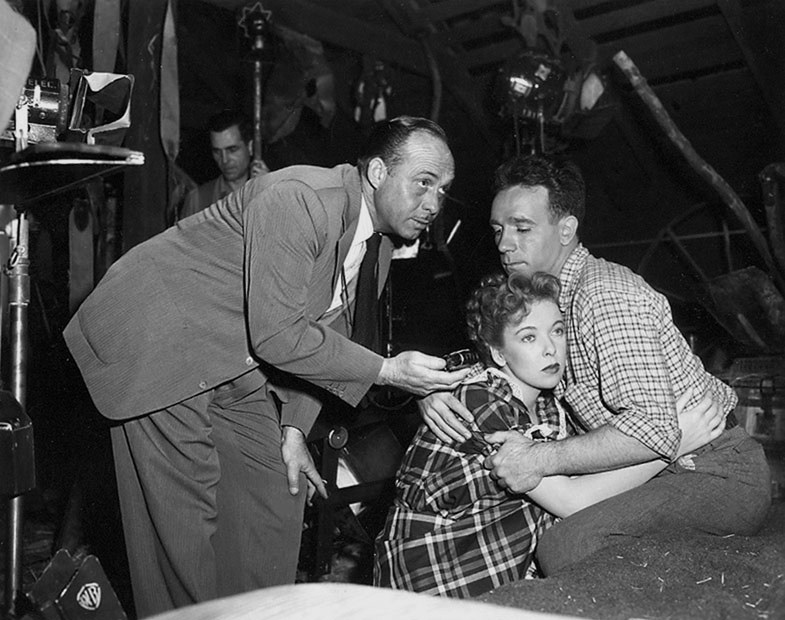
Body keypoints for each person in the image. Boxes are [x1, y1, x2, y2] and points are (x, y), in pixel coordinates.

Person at [63, 116, 472, 617]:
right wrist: (386, 371)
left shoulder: (377, 246)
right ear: (378, 172)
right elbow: (279, 334)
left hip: (232, 356)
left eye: (443, 189)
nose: (434, 204)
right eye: (424, 183)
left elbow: (328, 330)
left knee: (277, 487)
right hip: (159, 338)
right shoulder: (301, 198)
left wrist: (294, 428)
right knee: (183, 525)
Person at [418, 153, 771, 576]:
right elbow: (498, 351)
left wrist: (539, 458)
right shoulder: (550, 299)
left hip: (717, 472)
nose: (504, 243)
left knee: (567, 546)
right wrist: (433, 386)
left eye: (522, 228)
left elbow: (654, 430)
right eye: (498, 229)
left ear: (566, 230)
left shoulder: (601, 294)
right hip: (666, 467)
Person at [376, 271, 724, 597]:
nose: (549, 348)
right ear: (497, 352)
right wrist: (672, 443)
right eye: (529, 337)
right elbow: (572, 501)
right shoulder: (480, 402)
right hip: (430, 578)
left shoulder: (548, 408)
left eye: (557, 331)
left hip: (486, 570)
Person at [179, 109, 269, 219]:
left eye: (232, 150)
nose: (224, 160)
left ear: (250, 147)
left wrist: (270, 192)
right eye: (217, 151)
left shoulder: (272, 191)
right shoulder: (197, 200)